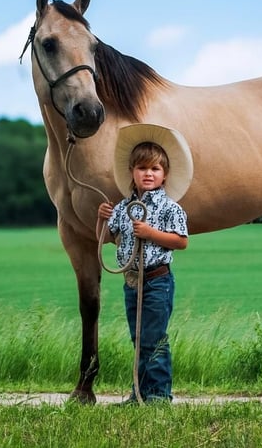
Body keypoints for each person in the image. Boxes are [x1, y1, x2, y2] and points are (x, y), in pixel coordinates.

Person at [97, 123, 193, 404]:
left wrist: (151, 234)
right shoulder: (122, 207)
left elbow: (181, 241)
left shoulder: (170, 208)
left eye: (154, 169)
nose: (148, 174)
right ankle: (139, 393)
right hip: (132, 281)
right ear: (132, 173)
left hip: (157, 280)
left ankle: (159, 395)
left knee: (154, 338)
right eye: (142, 169)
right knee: (138, 340)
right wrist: (102, 219)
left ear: (164, 175)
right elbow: (105, 239)